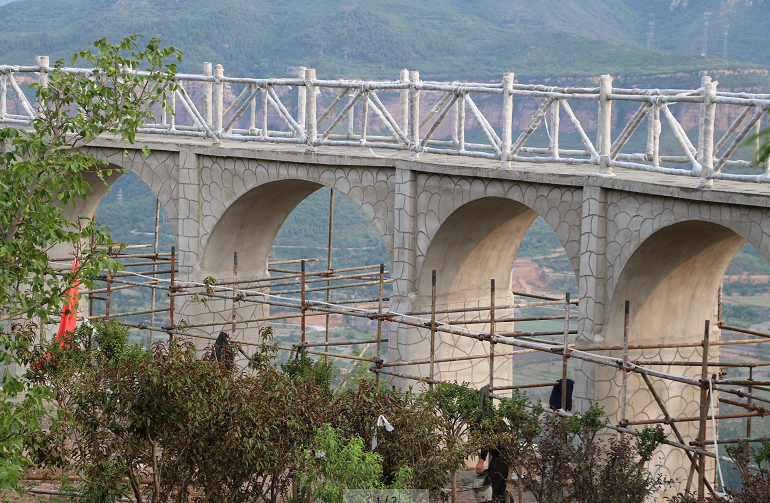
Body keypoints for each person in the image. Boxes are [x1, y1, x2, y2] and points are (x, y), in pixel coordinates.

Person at [474, 385, 509, 503]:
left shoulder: (482, 419)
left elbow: (486, 439)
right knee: (501, 490)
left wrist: (481, 461)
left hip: (501, 457)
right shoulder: (489, 416)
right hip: (507, 455)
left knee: (488, 488)